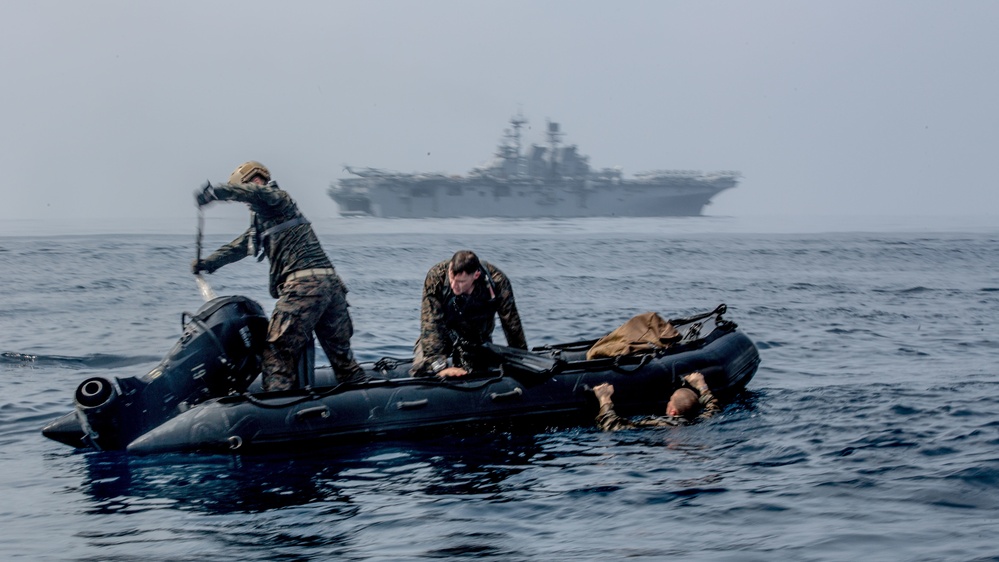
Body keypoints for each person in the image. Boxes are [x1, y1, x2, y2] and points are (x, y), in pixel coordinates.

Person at [193, 160, 365, 391]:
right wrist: (208, 264)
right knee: (342, 358)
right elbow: (239, 247)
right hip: (331, 287)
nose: (245, 203)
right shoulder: (268, 220)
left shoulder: (276, 198)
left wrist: (217, 192)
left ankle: (277, 404)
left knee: (277, 351)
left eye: (243, 197)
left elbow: (254, 193)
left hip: (304, 287)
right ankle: (361, 396)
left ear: (254, 181)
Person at [411, 250, 527, 377]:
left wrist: (522, 360)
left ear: (476, 275)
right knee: (423, 367)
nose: (455, 285)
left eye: (461, 282)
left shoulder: (498, 282)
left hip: (476, 339)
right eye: (452, 278)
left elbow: (512, 324)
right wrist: (439, 367)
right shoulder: (436, 277)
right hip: (442, 335)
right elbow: (431, 323)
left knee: (478, 374)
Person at [590, 371, 720, 431]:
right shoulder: (701, 420)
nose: (667, 403)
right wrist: (702, 386)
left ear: (673, 412)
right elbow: (713, 407)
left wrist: (604, 399)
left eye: (670, 401)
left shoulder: (661, 425)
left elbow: (614, 427)